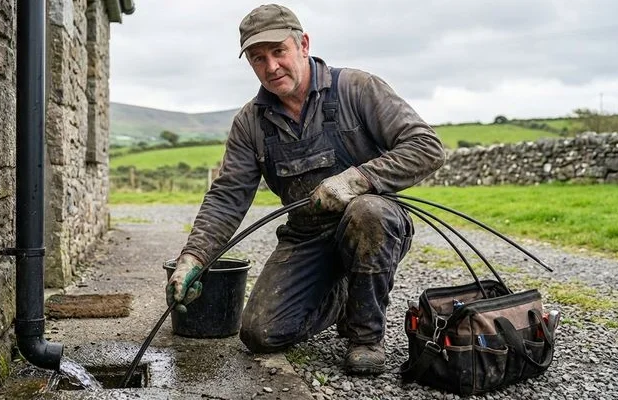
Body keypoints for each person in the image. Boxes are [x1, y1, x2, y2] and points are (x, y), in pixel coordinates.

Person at [165, 3, 445, 375]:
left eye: (278, 51)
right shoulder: (251, 123)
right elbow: (228, 195)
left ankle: (365, 336)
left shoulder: (357, 89)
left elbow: (427, 147)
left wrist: (356, 180)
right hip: (306, 236)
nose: (271, 67)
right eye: (257, 58)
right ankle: (340, 293)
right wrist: (194, 257)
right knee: (258, 333)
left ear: (303, 44)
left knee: (368, 212)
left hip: (372, 226)